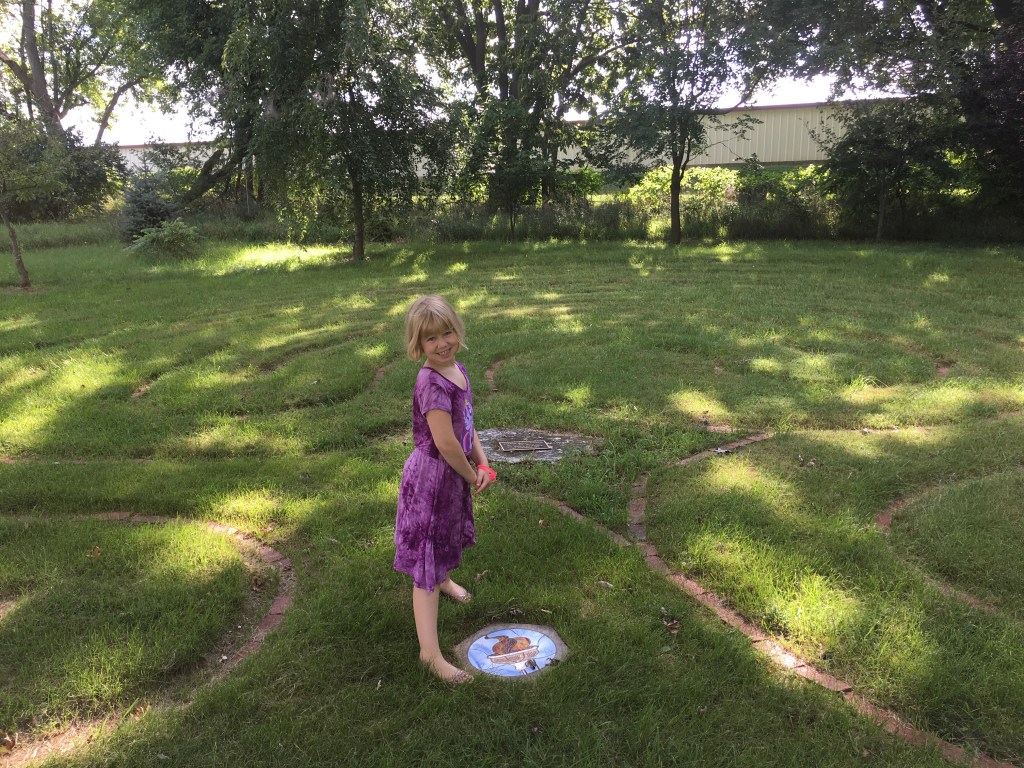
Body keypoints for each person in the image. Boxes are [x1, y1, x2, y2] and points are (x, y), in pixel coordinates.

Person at [394, 295, 495, 683]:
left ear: (458, 330)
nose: (442, 343)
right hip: (432, 480)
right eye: (431, 339)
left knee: (444, 542)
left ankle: (445, 578)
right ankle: (430, 654)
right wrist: (472, 476)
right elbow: (446, 442)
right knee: (426, 559)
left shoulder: (458, 370)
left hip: (453, 475)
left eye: (447, 332)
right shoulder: (430, 383)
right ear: (418, 345)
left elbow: (467, 426)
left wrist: (482, 461)